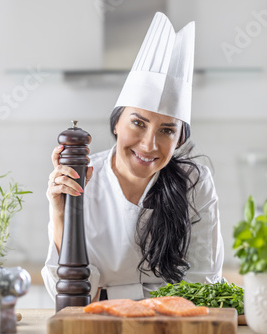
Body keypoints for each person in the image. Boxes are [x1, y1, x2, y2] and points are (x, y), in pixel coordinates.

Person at [42, 12, 224, 302]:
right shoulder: (81, 178)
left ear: (179, 140)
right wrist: (61, 212)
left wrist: (112, 294)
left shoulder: (194, 182)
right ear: (116, 123)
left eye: (167, 130)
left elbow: (202, 287)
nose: (149, 144)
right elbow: (69, 294)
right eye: (138, 123)